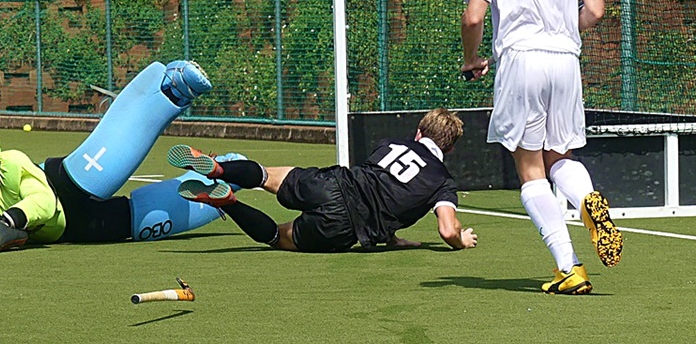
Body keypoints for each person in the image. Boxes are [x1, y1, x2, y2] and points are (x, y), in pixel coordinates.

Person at [460, 0, 623, 295]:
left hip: (522, 61)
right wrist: (567, 26)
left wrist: (472, 59)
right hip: (566, 61)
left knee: (530, 169)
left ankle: (569, 265)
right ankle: (590, 203)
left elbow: (474, 17)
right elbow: (595, 10)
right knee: (560, 158)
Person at [0, 61, 237, 251]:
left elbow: (43, 201)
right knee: (141, 224)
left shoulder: (11, 163)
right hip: (72, 229)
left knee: (99, 174)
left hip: (61, 183)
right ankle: (227, 174)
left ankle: (172, 87)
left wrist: (11, 219)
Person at [172, 109, 477, 254]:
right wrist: (460, 240)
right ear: (449, 148)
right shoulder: (443, 182)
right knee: (278, 237)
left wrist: (392, 236)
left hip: (331, 182)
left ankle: (217, 168)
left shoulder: (392, 144)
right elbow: (446, 229)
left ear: (419, 133)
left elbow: (382, 185)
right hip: (342, 226)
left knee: (266, 175)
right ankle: (229, 202)